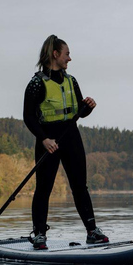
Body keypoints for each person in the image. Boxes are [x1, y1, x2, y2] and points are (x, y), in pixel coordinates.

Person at [23, 35, 108, 250]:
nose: (69, 58)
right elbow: (29, 117)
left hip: (71, 136)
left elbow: (79, 111)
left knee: (80, 186)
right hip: (49, 139)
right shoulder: (36, 83)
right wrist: (43, 139)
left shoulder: (72, 81)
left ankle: (92, 231)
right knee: (44, 188)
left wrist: (87, 106)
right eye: (67, 54)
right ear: (55, 54)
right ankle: (40, 234)